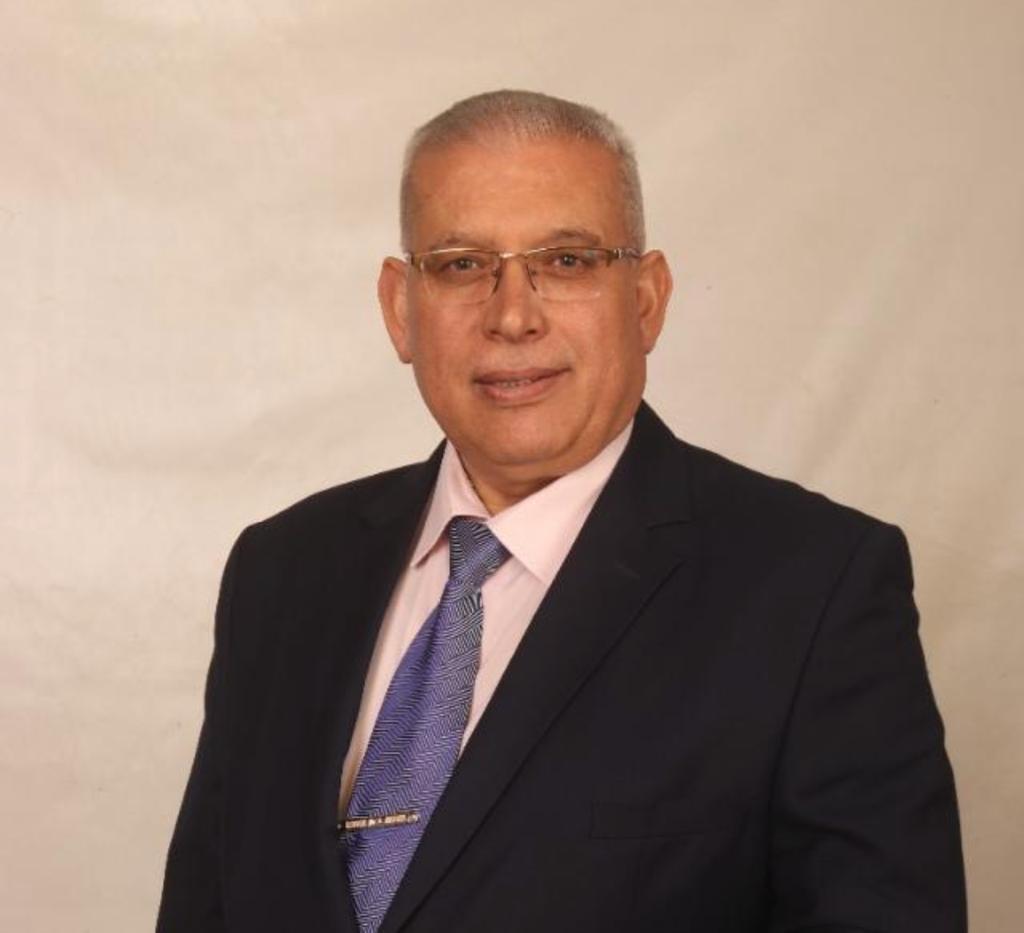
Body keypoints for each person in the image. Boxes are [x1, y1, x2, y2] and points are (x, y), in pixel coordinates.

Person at [157, 90, 966, 933]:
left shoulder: (813, 591)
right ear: (401, 309)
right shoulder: (283, 572)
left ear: (646, 300)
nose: (513, 315)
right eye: (462, 264)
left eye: (568, 260)